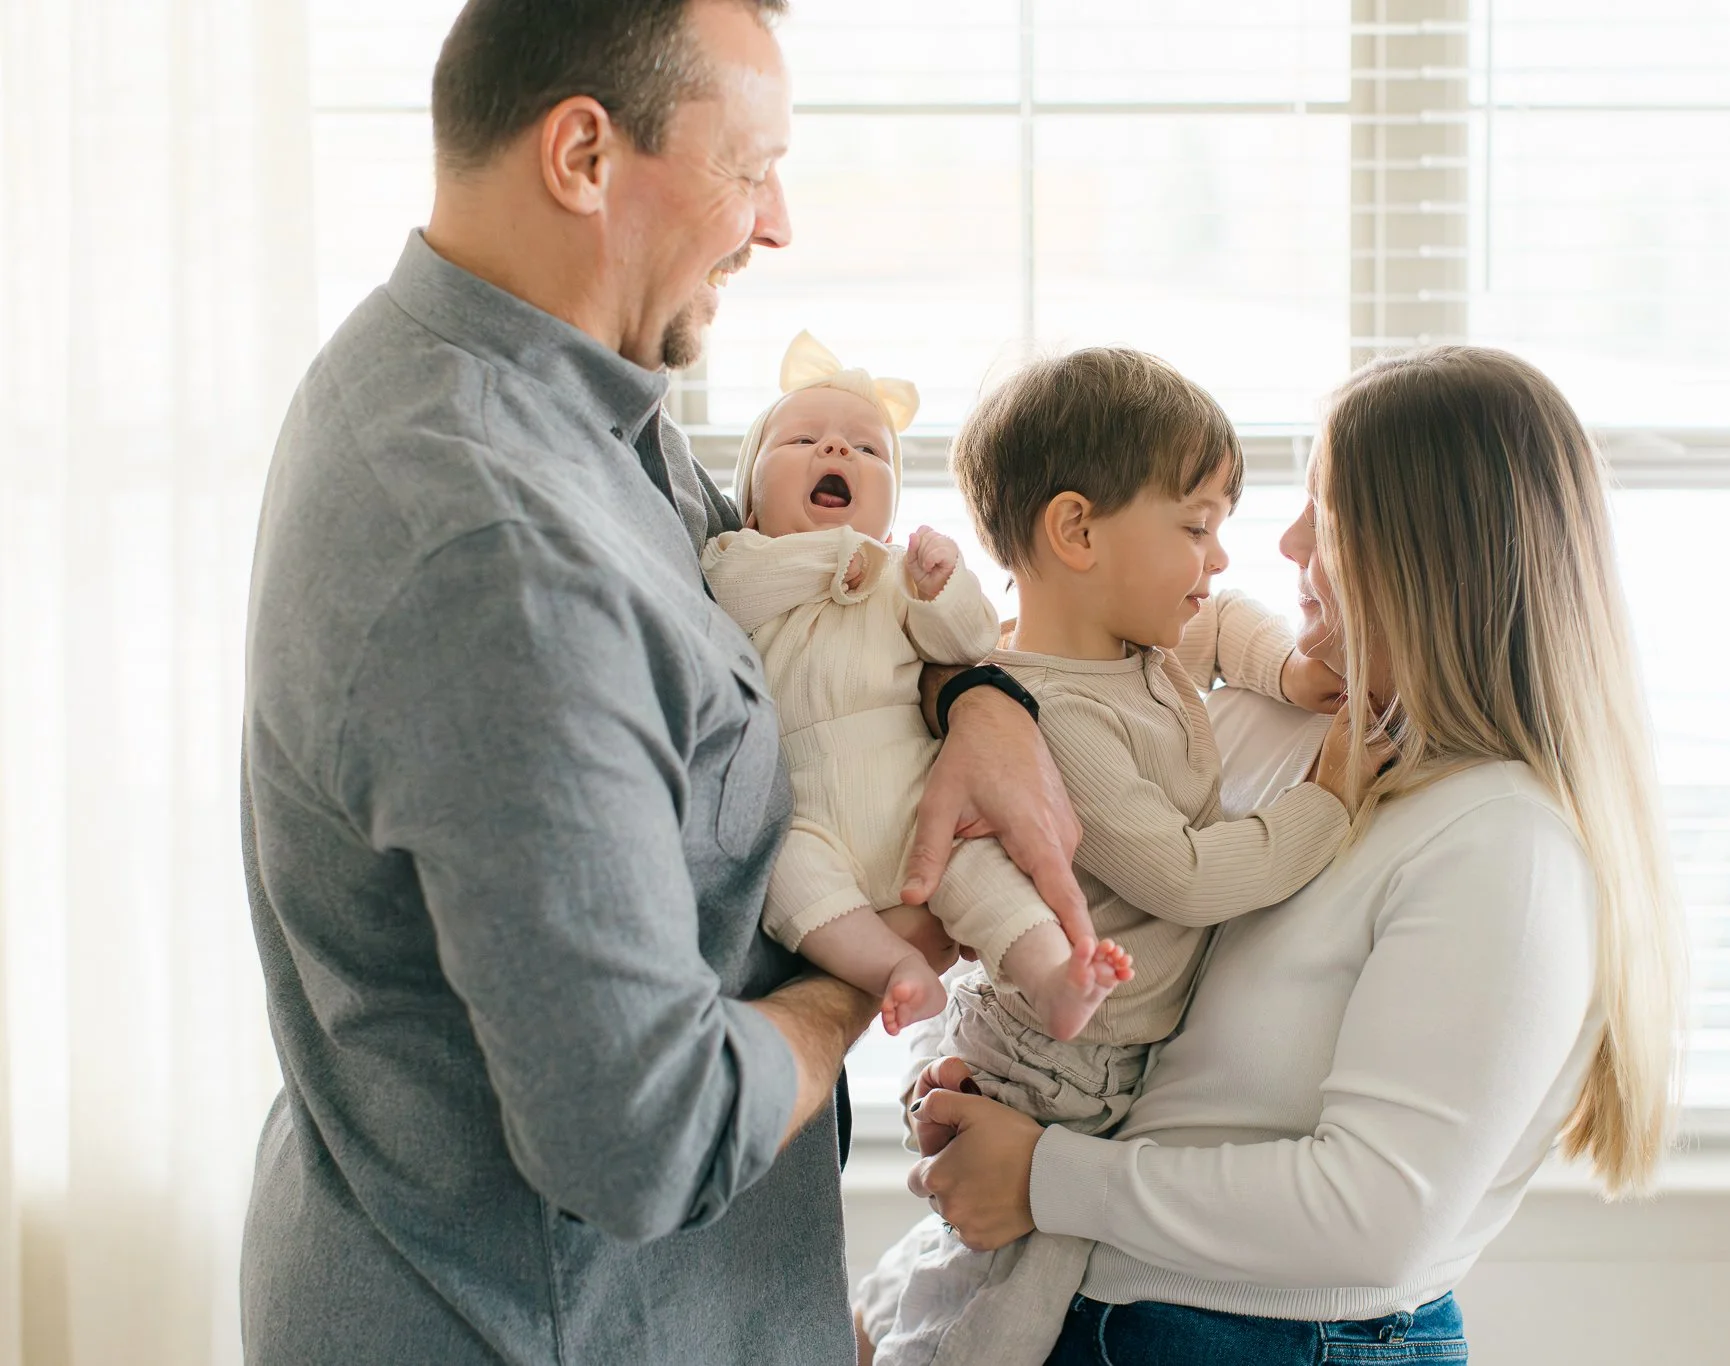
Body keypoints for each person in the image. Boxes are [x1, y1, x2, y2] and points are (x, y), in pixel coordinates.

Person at [237, 3, 1083, 1363]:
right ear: (582, 154)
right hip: (543, 1320)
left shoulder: (531, 395)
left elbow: (768, 606)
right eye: (748, 168)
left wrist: (983, 699)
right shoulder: (496, 546)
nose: (779, 223)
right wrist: (869, 974)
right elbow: (647, 1138)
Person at [879, 346, 1689, 1366]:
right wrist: (957, 1082)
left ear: (1425, 554)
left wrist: (1045, 1174)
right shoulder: (1278, 730)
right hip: (1090, 1304)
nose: (1283, 540)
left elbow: (1372, 1213)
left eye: (1328, 513)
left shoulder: (1503, 847)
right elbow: (1042, 858)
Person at [857, 348, 1359, 1366]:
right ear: (1077, 530)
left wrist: (1293, 671)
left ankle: (887, 1305)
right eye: (1195, 527)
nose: (1219, 558)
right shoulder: (1060, 719)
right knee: (1013, 1284)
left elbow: (1224, 625)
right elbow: (1183, 871)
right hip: (1061, 1060)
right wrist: (1327, 803)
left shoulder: (1139, 645)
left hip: (1088, 1039)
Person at [702, 331, 1130, 1038]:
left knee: (985, 871)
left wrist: (942, 585)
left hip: (917, 797)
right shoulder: (740, 556)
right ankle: (894, 968)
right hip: (805, 812)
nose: (838, 452)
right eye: (803, 439)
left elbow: (967, 642)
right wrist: (834, 559)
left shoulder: (898, 575)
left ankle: (1055, 977)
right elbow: (730, 596)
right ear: (749, 503)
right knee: (784, 876)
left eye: (868, 450)